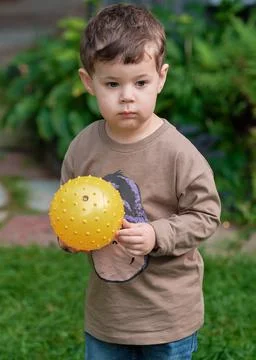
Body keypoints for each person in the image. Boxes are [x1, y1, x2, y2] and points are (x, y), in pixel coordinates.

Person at [58, 3, 221, 359]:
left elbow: (207, 215)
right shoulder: (83, 147)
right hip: (108, 318)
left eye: (141, 82)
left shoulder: (178, 153)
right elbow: (67, 206)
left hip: (166, 317)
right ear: (89, 82)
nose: (127, 96)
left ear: (161, 78)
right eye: (112, 83)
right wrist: (69, 237)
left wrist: (157, 234)